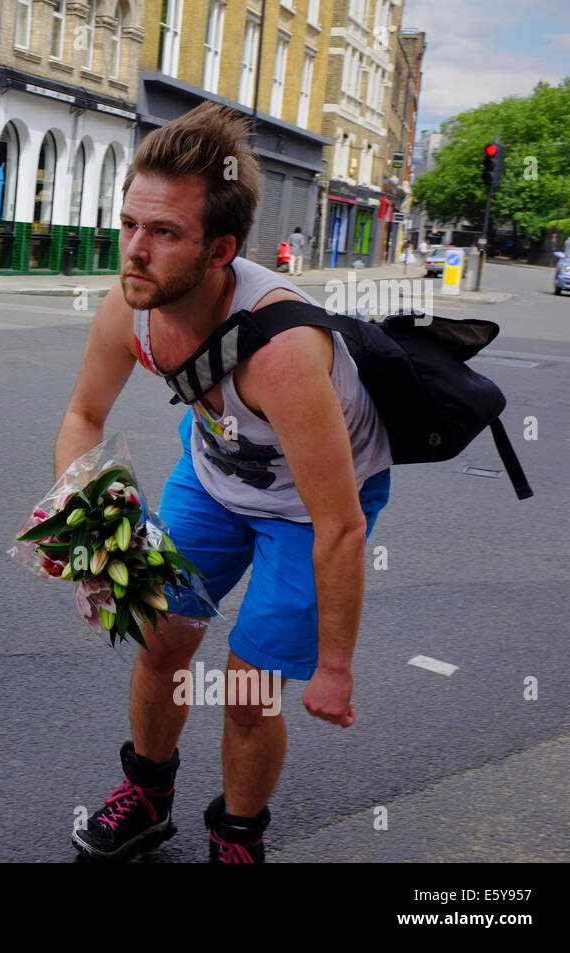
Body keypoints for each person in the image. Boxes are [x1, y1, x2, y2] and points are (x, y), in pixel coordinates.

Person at [55, 101, 392, 863]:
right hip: (215, 473)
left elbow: (340, 524)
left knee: (246, 692)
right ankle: (147, 795)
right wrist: (90, 541)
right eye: (129, 223)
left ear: (221, 250)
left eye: (164, 232)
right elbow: (82, 416)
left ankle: (239, 834)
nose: (134, 251)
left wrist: (335, 665)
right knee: (161, 638)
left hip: (309, 510)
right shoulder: (130, 306)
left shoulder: (283, 349)